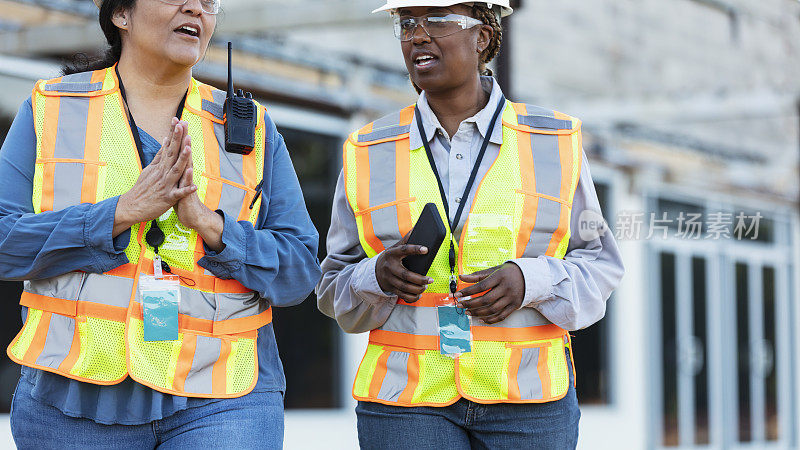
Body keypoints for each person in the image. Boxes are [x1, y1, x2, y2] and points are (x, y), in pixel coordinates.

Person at [0, 0, 320, 447]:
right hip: (71, 398)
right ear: (120, 15)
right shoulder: (50, 108)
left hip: (224, 395)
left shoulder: (251, 126)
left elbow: (301, 272)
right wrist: (118, 214)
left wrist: (213, 226)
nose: (196, 8)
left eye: (208, 2)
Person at [316, 1, 625, 448]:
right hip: (407, 401)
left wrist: (530, 279)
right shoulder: (366, 150)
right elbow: (331, 287)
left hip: (529, 402)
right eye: (407, 23)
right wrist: (375, 275)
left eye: (438, 20)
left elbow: (600, 267)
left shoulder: (554, 143)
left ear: (482, 37)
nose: (418, 35)